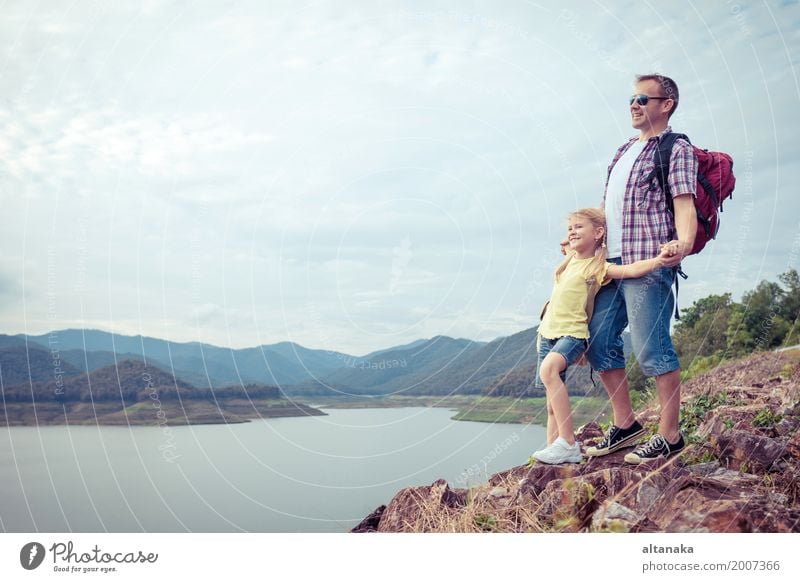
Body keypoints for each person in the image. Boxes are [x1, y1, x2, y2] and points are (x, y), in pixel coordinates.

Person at [584, 73, 698, 464]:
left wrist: (683, 242)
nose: (634, 105)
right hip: (611, 265)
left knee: (652, 350)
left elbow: (685, 203)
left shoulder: (676, 148)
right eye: (631, 99)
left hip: (649, 261)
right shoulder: (622, 151)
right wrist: (582, 242)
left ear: (666, 104)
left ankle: (670, 435)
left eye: (642, 99)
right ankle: (627, 426)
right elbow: (609, 210)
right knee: (598, 343)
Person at [532, 208, 676, 465]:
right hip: (546, 333)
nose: (572, 232)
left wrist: (658, 261)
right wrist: (571, 244)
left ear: (599, 233)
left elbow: (630, 271)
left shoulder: (598, 267)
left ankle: (568, 444)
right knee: (551, 405)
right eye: (569, 228)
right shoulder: (569, 261)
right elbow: (570, 247)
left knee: (549, 371)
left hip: (572, 333)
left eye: (579, 227)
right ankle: (555, 451)